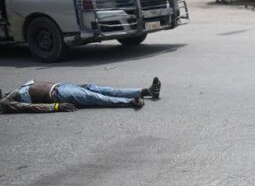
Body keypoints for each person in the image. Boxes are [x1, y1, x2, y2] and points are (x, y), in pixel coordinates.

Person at [1, 78, 161, 113]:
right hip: (58, 94)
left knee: (103, 89)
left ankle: (147, 91)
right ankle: (130, 102)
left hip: (63, 86)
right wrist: (56, 106)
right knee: (96, 98)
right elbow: (31, 107)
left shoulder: (13, 92)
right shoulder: (6, 102)